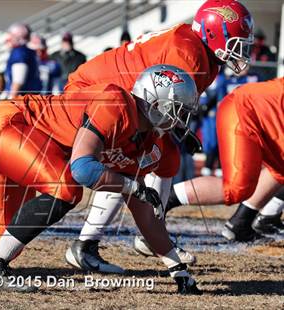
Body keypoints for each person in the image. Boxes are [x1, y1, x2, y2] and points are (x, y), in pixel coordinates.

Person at [0, 65, 203, 295]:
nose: (180, 119)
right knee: (66, 186)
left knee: (1, 241)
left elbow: (144, 213)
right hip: (9, 124)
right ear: (153, 101)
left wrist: (177, 267)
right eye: (176, 109)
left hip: (32, 144)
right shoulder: (115, 103)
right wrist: (133, 186)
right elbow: (83, 169)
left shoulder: (151, 144)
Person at [63, 0, 255, 272]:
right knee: (134, 161)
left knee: (166, 159)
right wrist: (177, 128)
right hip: (95, 92)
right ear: (213, 33)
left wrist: (180, 130)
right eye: (236, 41)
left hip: (121, 96)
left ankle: (150, 235)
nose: (241, 50)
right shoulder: (189, 53)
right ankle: (88, 244)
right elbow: (163, 103)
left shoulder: (202, 52)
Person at [165, 78, 284, 242]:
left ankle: (243, 222)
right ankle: (164, 199)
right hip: (245, 110)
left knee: (280, 169)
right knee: (235, 188)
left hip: (261, 112)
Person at [4, 23, 41, 99]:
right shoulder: (27, 51)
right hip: (31, 96)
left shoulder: (19, 52)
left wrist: (11, 98)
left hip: (23, 98)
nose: (8, 38)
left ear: (18, 37)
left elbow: (18, 80)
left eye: (12, 35)